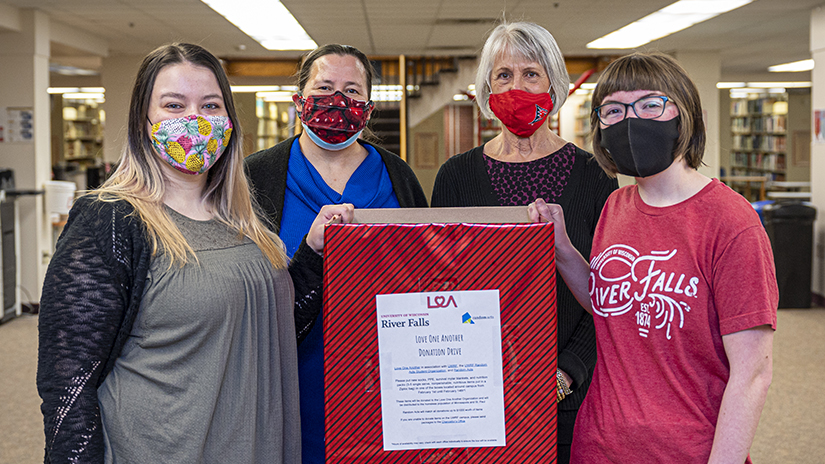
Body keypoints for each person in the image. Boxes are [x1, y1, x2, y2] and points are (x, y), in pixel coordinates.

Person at [36, 42, 353, 464]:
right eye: (173, 105)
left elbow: (268, 332)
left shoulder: (245, 222)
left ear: (228, 120)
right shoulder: (110, 219)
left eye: (210, 105)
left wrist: (313, 255)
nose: (194, 120)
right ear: (143, 120)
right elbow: (67, 383)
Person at [528, 52, 777, 464]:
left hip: (688, 451)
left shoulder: (732, 223)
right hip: (600, 446)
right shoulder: (616, 205)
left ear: (684, 114)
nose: (631, 120)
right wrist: (563, 248)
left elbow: (753, 375)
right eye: (614, 110)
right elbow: (612, 305)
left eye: (650, 104)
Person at [430, 22, 617, 463]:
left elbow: (612, 291)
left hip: (570, 394)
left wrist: (568, 370)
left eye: (531, 74)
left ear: (554, 84)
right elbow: (438, 285)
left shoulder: (594, 177)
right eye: (504, 76)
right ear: (486, 89)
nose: (517, 86)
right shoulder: (455, 177)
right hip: (477, 394)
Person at [245, 43, 427, 463]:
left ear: (367, 106)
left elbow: (427, 271)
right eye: (324, 88)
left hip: (388, 381)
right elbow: (240, 287)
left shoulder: (397, 175)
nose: (339, 101)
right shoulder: (256, 176)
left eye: (352, 90)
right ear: (299, 101)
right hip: (291, 380)